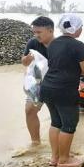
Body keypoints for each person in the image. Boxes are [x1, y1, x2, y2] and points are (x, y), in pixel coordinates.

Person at [40, 14, 84, 167]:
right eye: (81, 27)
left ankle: (55, 157)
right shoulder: (78, 45)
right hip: (64, 90)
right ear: (75, 28)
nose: (82, 30)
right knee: (69, 124)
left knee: (56, 122)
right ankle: (64, 160)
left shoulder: (53, 43)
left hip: (47, 87)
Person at [21, 16, 55, 147]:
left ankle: (62, 142)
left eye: (39, 32)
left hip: (55, 83)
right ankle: (35, 142)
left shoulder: (60, 44)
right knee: (30, 110)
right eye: (34, 32)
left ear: (50, 31)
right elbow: (23, 61)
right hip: (37, 82)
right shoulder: (33, 43)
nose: (36, 35)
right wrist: (27, 60)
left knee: (57, 115)